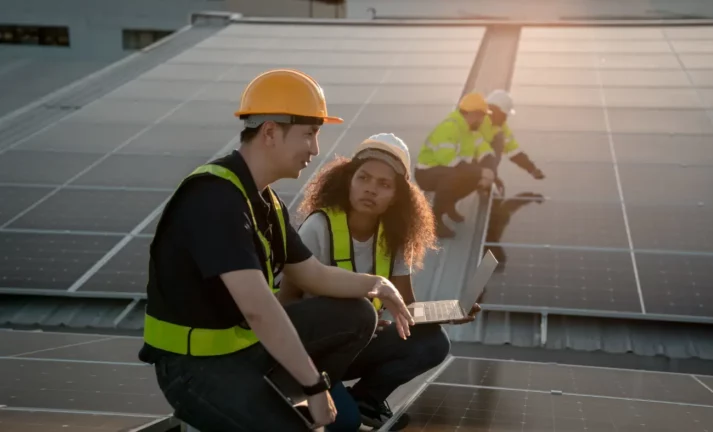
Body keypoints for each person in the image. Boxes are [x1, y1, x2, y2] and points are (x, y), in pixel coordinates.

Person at [137, 68, 414, 432]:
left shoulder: (266, 202)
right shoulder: (215, 198)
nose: (316, 149)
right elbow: (259, 309)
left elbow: (312, 273)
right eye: (309, 134)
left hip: (241, 351)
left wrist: (378, 283)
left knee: (359, 314)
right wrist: (314, 385)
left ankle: (278, 401)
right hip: (192, 368)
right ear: (269, 132)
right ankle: (247, 410)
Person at [279, 133, 481, 431]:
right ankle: (318, 400)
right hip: (315, 352)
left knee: (433, 342)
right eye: (363, 178)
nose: (370, 189)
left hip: (360, 342)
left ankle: (365, 399)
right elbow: (286, 304)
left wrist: (450, 312)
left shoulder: (394, 238)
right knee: (343, 424)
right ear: (349, 180)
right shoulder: (318, 227)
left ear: (397, 196)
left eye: (384, 184)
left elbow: (406, 307)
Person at [414, 92, 497, 238]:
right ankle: (433, 223)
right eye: (482, 115)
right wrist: (481, 172)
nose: (484, 119)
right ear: (474, 114)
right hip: (426, 174)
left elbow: (486, 151)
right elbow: (450, 162)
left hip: (448, 171)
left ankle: (448, 204)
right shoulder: (449, 128)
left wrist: (489, 171)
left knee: (473, 177)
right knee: (455, 175)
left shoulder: (470, 132)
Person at [476, 89, 545, 197]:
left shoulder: (500, 128)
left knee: (499, 140)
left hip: (480, 165)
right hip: (463, 163)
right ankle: (481, 179)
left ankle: (486, 177)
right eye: (504, 115)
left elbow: (514, 151)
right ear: (495, 110)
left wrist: (531, 168)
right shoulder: (475, 121)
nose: (505, 118)